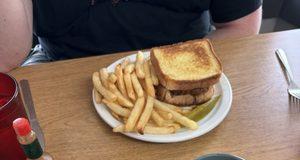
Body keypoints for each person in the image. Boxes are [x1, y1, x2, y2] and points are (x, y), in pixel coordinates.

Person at [0, 0, 262, 72]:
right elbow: (8, 58)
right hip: (59, 65)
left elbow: (240, 28)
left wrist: (180, 77)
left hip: (183, 64)